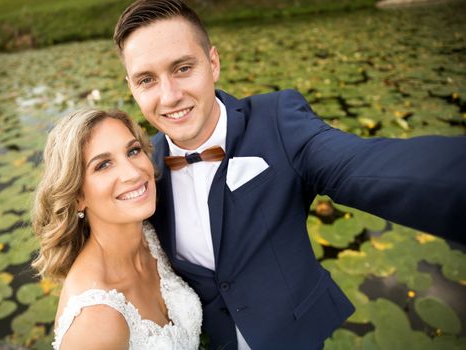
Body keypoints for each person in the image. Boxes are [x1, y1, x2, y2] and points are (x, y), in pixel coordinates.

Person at [113, 1, 466, 349]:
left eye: (183, 68)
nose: (170, 96)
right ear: (132, 87)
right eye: (147, 79)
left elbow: (366, 167)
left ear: (213, 63)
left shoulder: (278, 121)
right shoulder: (144, 165)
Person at [31, 108, 202, 349]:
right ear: (77, 197)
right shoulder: (96, 319)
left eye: (133, 151)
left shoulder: (149, 234)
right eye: (103, 165)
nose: (133, 173)